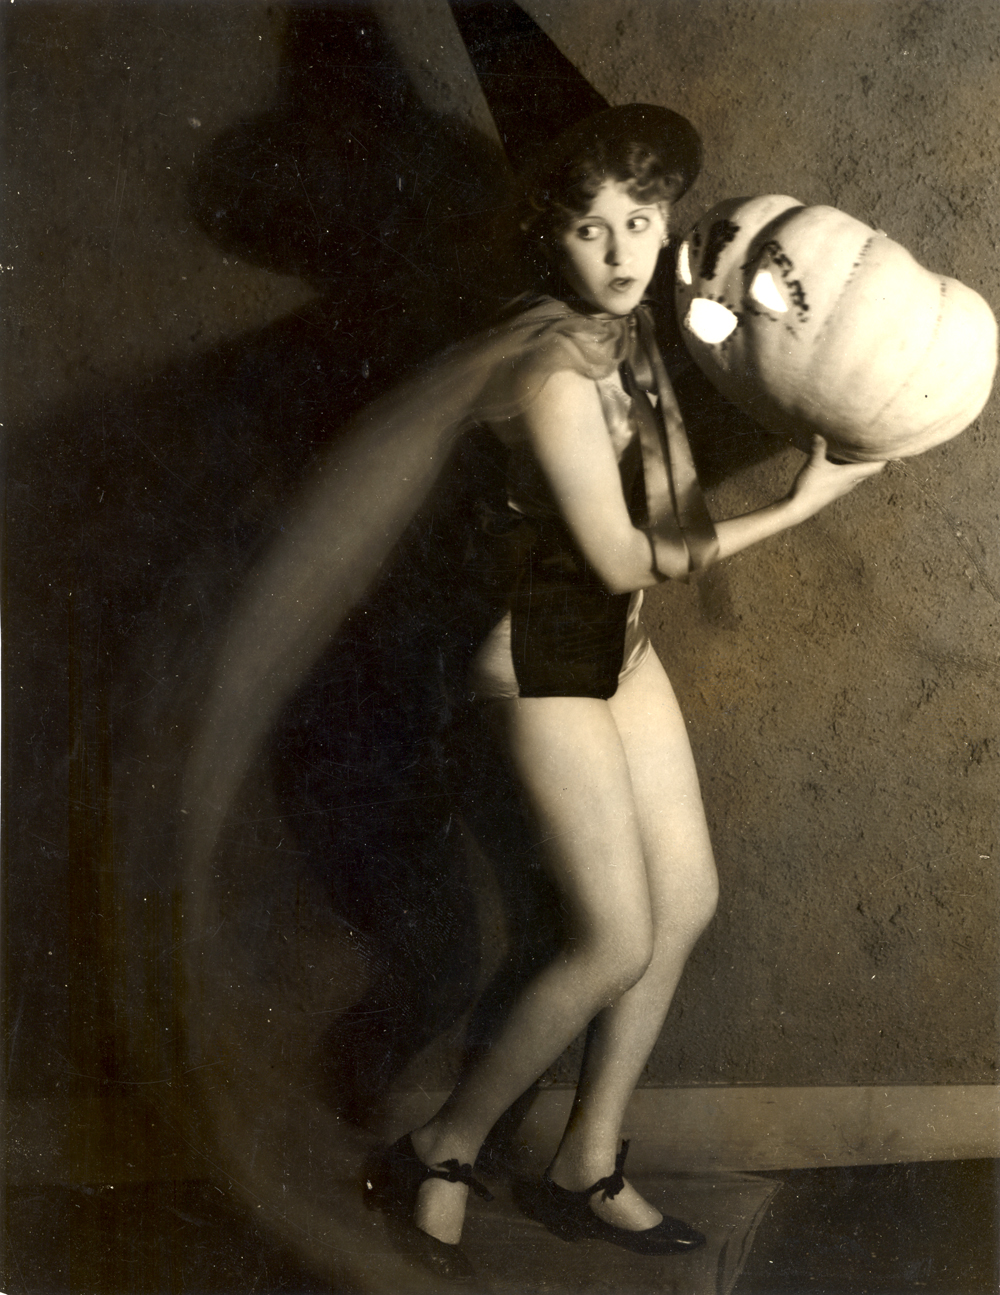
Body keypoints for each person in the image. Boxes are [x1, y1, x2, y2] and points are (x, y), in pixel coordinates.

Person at [361, 104, 886, 1279]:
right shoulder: (550, 369)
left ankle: (584, 1160)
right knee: (611, 938)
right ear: (548, 234)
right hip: (539, 657)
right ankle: (441, 1146)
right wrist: (801, 503)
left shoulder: (633, 325)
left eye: (640, 221)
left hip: (619, 650)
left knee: (684, 900)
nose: (618, 253)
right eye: (588, 227)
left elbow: (747, 325)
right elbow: (613, 556)